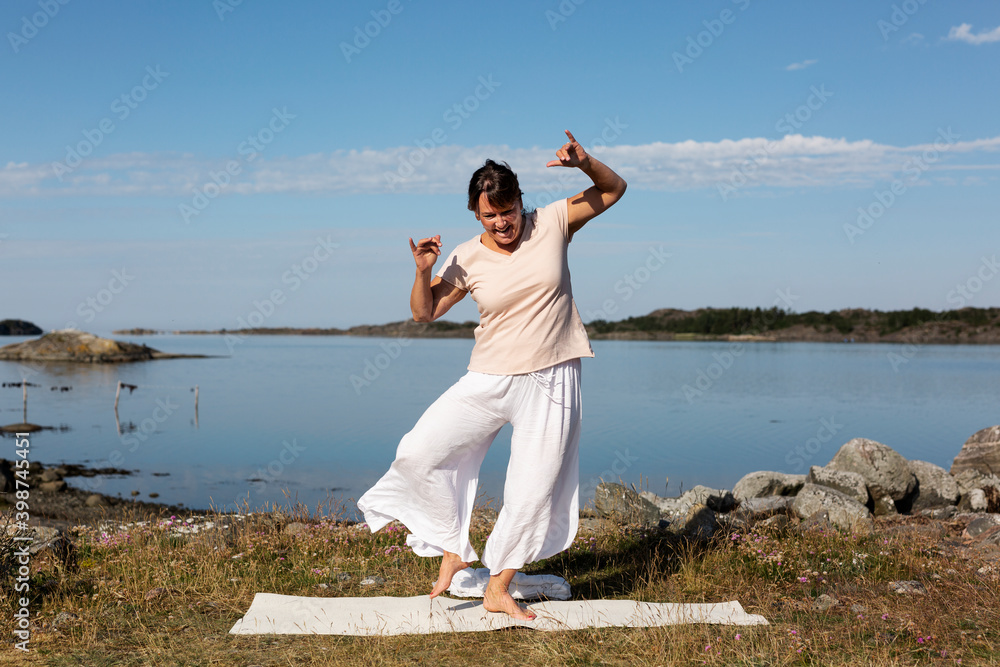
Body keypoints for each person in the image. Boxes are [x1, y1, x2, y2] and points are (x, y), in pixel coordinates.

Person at [357, 130, 627, 620]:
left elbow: (613, 190)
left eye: (508, 209)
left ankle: (498, 586)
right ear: (475, 214)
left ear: (522, 201)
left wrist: (586, 162)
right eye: (490, 214)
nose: (502, 222)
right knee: (420, 450)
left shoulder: (552, 222)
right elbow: (424, 313)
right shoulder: (465, 255)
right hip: (488, 378)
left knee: (533, 487)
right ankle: (452, 549)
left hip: (552, 377)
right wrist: (423, 271)